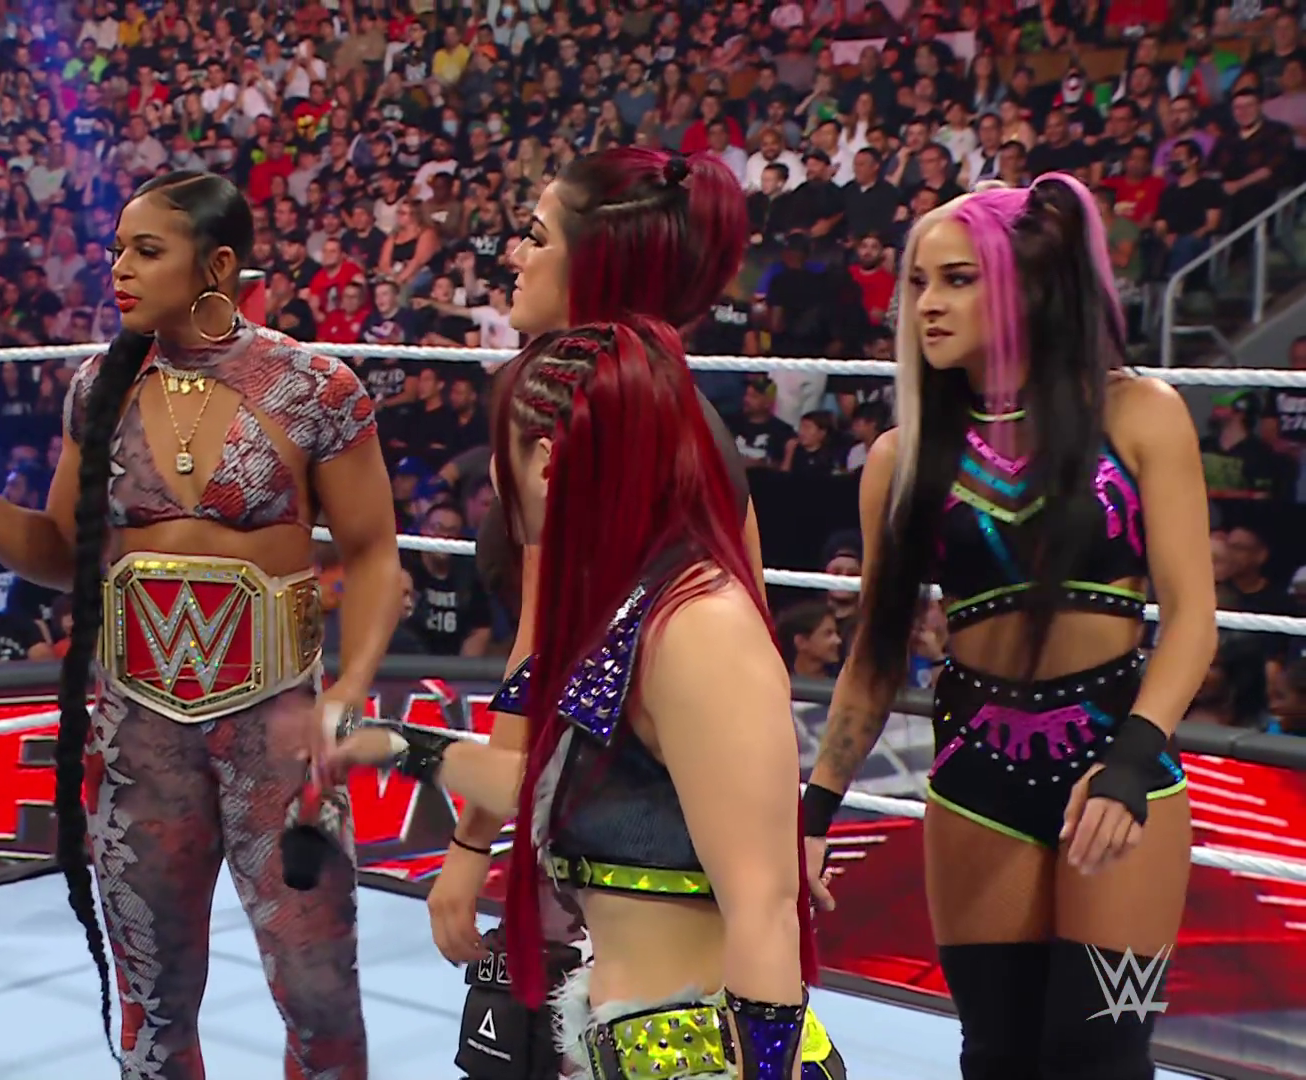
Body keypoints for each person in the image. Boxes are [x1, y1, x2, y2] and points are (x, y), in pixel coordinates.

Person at [0, 170, 403, 1080]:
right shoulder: (101, 385)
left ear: (216, 266)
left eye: (146, 250)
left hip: (278, 733)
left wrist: (351, 693)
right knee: (152, 1004)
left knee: (318, 990)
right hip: (137, 734)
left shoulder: (312, 387)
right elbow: (60, 553)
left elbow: (371, 555)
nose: (119, 268)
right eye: (117, 249)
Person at [333, 321, 842, 1079]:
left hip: (706, 1062)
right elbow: (560, 782)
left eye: (500, 451)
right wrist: (399, 747)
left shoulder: (697, 625)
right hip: (631, 1048)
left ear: (544, 461)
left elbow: (765, 906)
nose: (490, 478)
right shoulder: (624, 603)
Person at [802, 175, 1214, 1080]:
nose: (927, 304)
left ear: (1023, 286)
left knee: (1100, 1057)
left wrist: (1131, 763)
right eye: (918, 283)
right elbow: (875, 653)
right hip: (974, 772)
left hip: (1116, 758)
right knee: (995, 1056)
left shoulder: (1138, 413)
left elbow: (1192, 621)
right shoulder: (901, 459)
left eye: (958, 279)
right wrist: (817, 806)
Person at [430, 148, 769, 1074]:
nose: (514, 254)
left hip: (602, 834)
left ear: (597, 263)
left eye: (536, 236)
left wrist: (470, 843)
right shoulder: (689, 412)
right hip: (662, 837)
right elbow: (752, 622)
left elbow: (541, 652)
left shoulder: (573, 419)